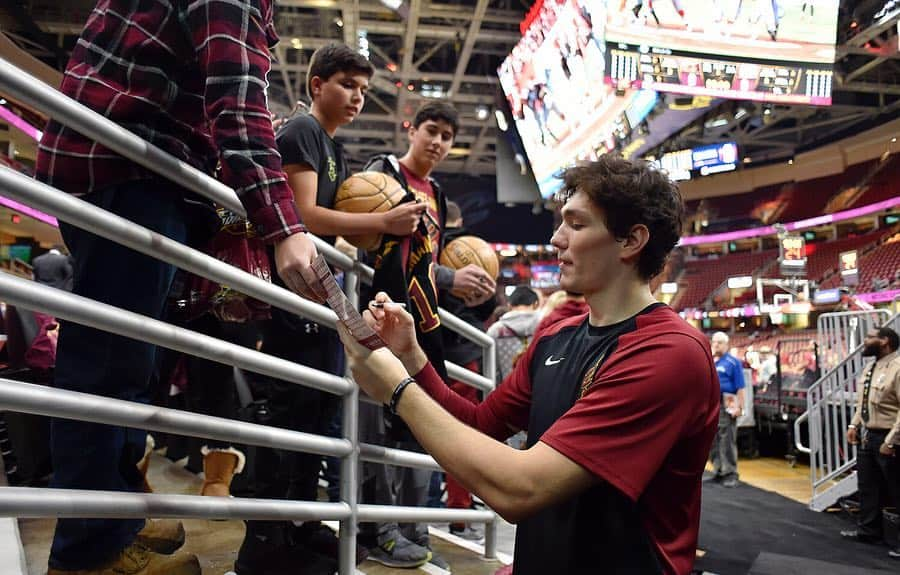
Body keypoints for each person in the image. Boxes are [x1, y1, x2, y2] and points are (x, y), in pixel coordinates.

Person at [35, 1, 324, 573]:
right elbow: (237, 109)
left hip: (122, 168)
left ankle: (116, 527)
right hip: (129, 169)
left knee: (126, 366)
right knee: (108, 370)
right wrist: (285, 227)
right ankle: (88, 556)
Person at [340, 155, 719, 574]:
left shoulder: (670, 353)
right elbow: (479, 424)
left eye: (576, 224)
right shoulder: (555, 337)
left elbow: (520, 491)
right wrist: (411, 357)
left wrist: (398, 391)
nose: (556, 239)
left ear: (631, 241)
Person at [234, 43, 376, 575]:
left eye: (363, 90)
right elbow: (308, 217)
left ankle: (298, 522)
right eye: (347, 85)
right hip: (289, 294)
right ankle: (267, 539)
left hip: (314, 295)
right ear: (317, 84)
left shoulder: (332, 146)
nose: (357, 97)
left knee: (316, 415)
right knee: (290, 408)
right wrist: (382, 223)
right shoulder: (302, 131)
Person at [359, 101, 496, 569]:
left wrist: (454, 284)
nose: (437, 142)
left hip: (422, 324)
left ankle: (414, 523)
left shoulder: (435, 190)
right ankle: (381, 532)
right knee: (380, 429)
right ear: (410, 130)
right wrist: (449, 278)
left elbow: (423, 265)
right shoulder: (380, 174)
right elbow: (366, 249)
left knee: (421, 425)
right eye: (431, 131)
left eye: (446, 136)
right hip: (380, 316)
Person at [438, 201, 496, 541]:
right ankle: (459, 511)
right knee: (461, 436)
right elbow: (488, 304)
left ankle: (427, 506)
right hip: (465, 355)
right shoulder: (477, 249)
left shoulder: (431, 248)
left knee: (421, 428)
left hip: (431, 347)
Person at [841, 327, 900, 560]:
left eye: (869, 338)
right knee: (868, 485)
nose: (865, 342)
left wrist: (892, 440)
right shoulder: (871, 366)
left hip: (889, 436)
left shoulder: (898, 367)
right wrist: (854, 425)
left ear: (884, 341)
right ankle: (869, 531)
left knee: (897, 490)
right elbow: (863, 401)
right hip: (868, 434)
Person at [706, 331, 745, 488]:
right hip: (711, 405)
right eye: (714, 342)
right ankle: (718, 470)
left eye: (719, 342)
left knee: (727, 438)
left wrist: (739, 407)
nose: (716, 345)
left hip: (726, 404)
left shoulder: (733, 362)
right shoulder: (710, 361)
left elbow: (740, 387)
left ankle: (730, 473)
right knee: (712, 439)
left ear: (726, 344)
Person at [487, 286, 542, 382]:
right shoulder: (545, 325)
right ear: (535, 304)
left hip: (507, 389)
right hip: (539, 389)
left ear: (509, 305)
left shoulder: (495, 330)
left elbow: (491, 368)